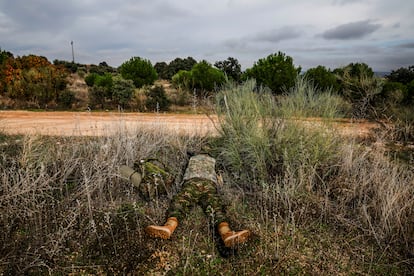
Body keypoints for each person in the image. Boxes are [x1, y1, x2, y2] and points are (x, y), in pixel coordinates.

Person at [120, 154, 250, 248]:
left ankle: (169, 227)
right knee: (215, 206)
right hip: (209, 184)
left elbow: (182, 174)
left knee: (180, 202)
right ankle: (226, 233)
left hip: (191, 182)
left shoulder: (192, 159)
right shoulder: (214, 161)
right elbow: (220, 179)